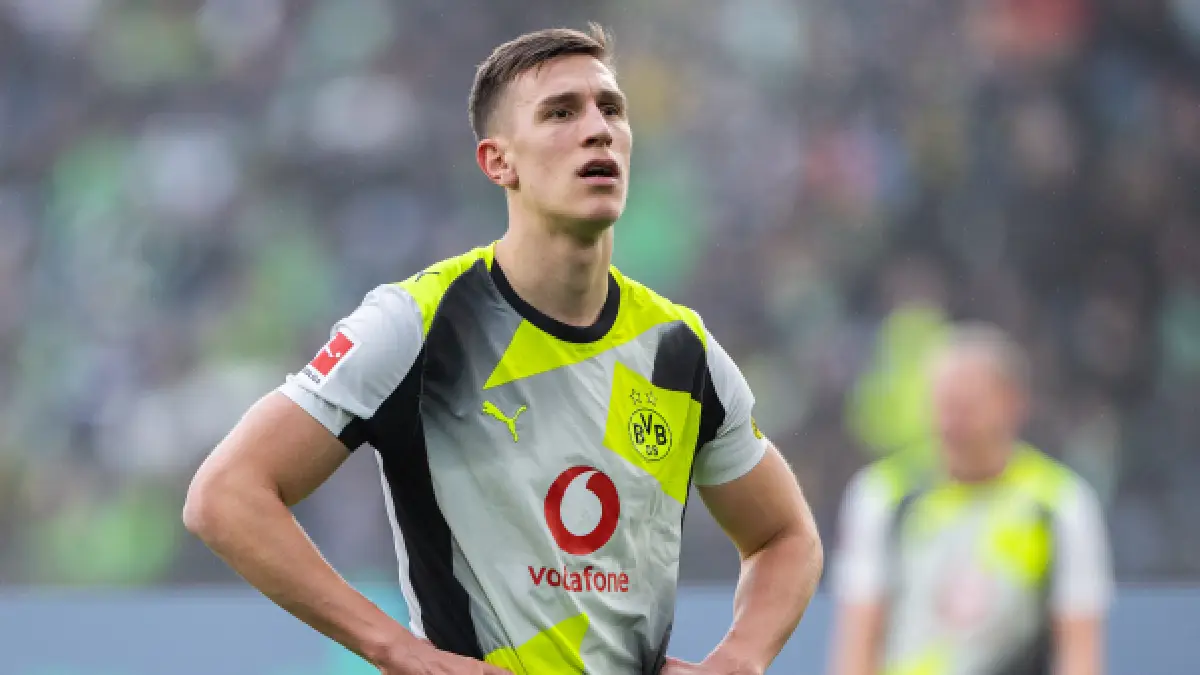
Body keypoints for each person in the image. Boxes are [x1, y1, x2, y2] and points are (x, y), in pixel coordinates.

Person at [184, 24, 823, 675]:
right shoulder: (418, 324)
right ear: (499, 162)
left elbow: (786, 535)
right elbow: (226, 494)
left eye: (612, 109)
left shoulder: (682, 352)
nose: (598, 129)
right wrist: (396, 648)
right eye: (561, 113)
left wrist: (739, 659)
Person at [827, 323, 1113, 675]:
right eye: (944, 405)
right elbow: (858, 640)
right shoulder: (883, 495)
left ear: (1013, 404)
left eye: (967, 407)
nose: (952, 423)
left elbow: (1079, 647)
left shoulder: (1060, 504)